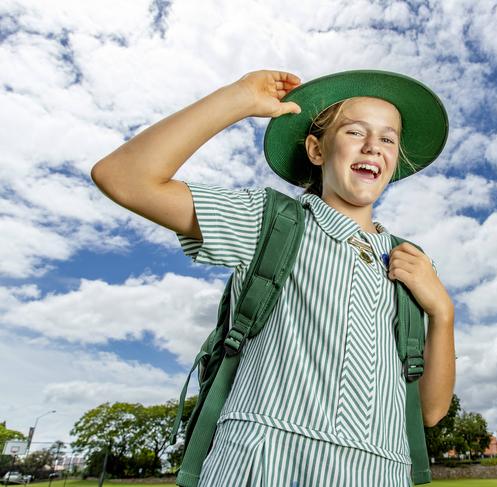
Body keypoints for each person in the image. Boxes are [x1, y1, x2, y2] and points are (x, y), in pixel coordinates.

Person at [91, 69, 455, 486]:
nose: (373, 146)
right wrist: (238, 98)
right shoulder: (270, 221)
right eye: (355, 132)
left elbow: (430, 411)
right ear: (317, 150)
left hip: (382, 472)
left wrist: (443, 312)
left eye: (388, 138)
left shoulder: (411, 263)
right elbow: (123, 178)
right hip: (262, 461)